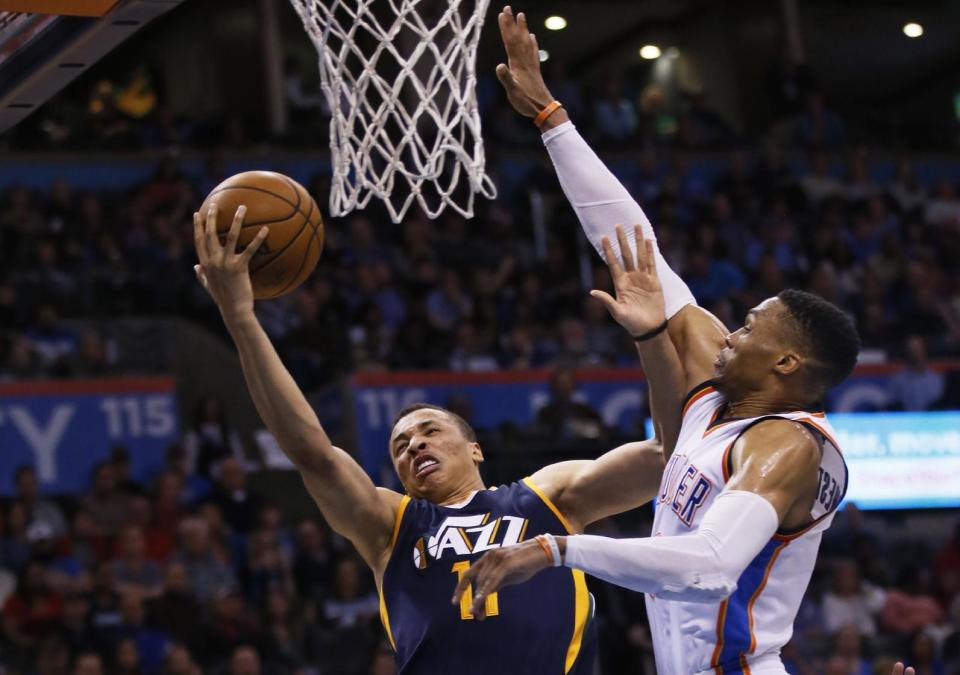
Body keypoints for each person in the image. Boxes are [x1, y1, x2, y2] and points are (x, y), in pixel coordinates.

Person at [453, 8, 862, 675]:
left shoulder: (788, 445)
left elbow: (708, 566)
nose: (733, 330)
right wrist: (551, 119)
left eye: (753, 327)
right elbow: (631, 242)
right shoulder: (715, 386)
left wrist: (557, 549)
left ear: (786, 363)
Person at [192, 202, 676, 673]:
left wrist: (653, 334)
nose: (415, 446)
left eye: (430, 432)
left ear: (475, 448)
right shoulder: (391, 524)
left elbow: (666, 456)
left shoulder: (547, 497)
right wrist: (241, 318)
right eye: (400, 446)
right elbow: (311, 454)